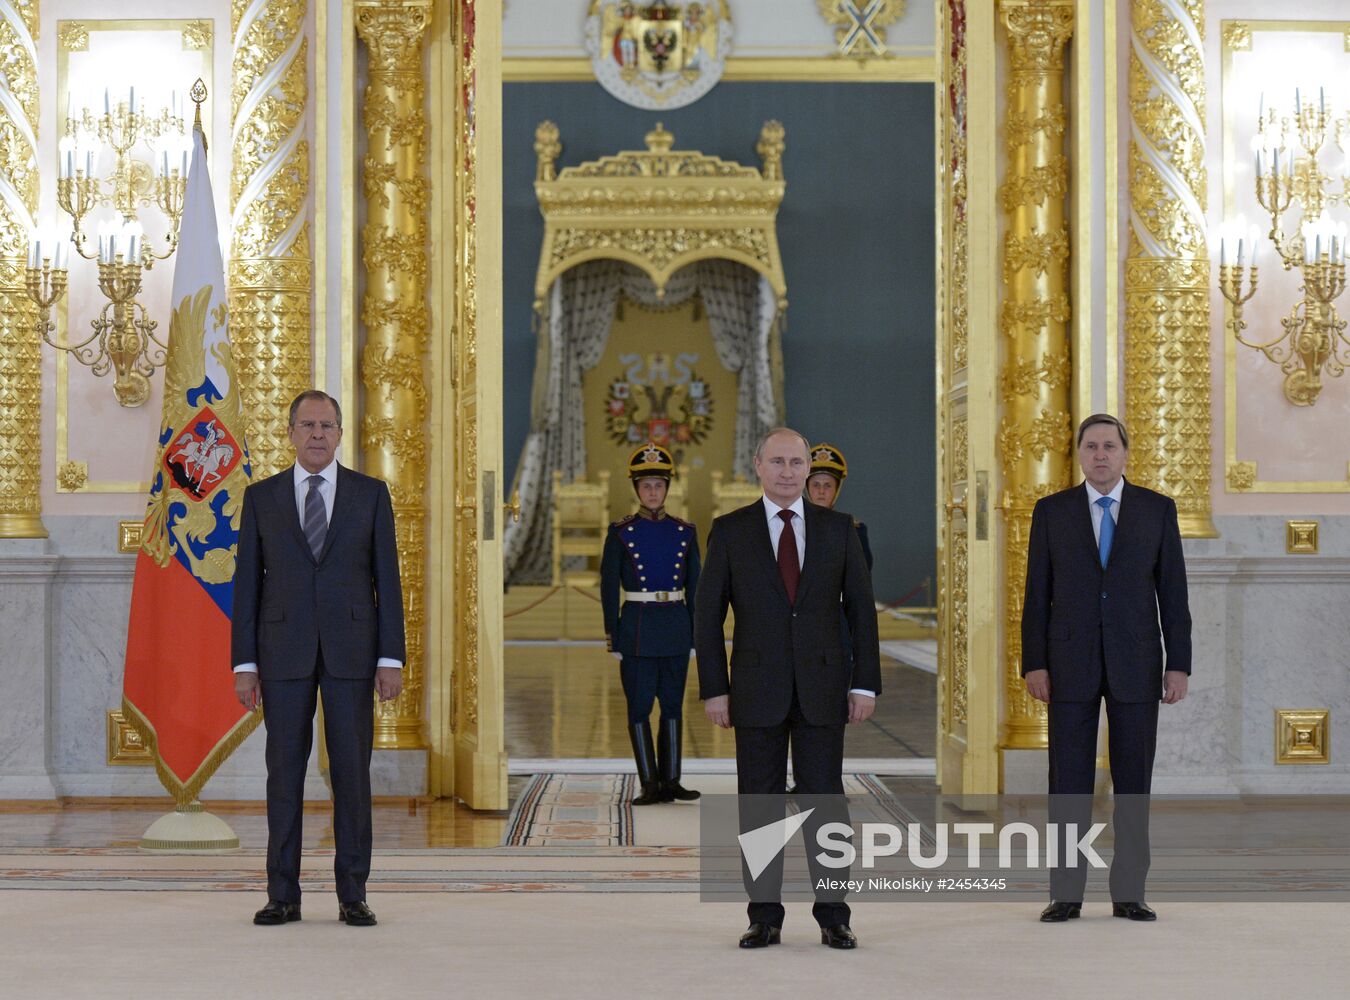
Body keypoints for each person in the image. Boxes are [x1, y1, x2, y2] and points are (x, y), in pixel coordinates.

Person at [695, 427, 881, 950]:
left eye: (795, 462)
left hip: (825, 687)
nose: (786, 471)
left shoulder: (840, 529)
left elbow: (861, 614)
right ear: (757, 465)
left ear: (807, 469)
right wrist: (715, 688)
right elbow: (708, 618)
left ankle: (834, 915)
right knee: (759, 804)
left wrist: (864, 683)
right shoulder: (730, 531)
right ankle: (764, 915)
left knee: (826, 803)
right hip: (754, 688)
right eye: (776, 461)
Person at [232, 390, 406, 928]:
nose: (316, 434)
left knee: (352, 774)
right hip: (281, 655)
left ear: (339, 433)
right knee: (283, 774)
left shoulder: (370, 494)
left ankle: (352, 892)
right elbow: (247, 588)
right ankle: (281, 894)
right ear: (290, 432)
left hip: (353, 655)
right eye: (306, 425)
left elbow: (388, 583)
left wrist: (390, 658)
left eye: (326, 425)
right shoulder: (261, 498)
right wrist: (244, 665)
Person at [1021, 413, 1191, 924]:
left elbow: (1174, 594)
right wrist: (1034, 663)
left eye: (1109, 446)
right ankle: (1066, 893)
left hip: (1137, 662)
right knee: (1068, 783)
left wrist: (1178, 664)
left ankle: (1129, 893)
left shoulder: (1156, 510)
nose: (1100, 455)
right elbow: (1035, 597)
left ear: (1124, 452)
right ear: (1078, 454)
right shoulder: (1051, 512)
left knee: (1133, 781)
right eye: (1091, 446)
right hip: (1068, 662)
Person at [600, 443, 702, 806]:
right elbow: (609, 588)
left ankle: (672, 780)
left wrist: (694, 633)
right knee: (639, 708)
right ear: (637, 490)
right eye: (646, 487)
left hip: (674, 627)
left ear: (667, 488)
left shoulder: (685, 532)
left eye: (659, 485)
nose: (653, 492)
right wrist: (613, 634)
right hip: (638, 630)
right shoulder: (621, 533)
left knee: (673, 707)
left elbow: (696, 589)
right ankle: (649, 783)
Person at [806, 443, 873, 571]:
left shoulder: (854, 532)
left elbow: (861, 581)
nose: (821, 491)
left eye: (827, 485)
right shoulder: (792, 528)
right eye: (815, 485)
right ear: (807, 488)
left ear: (837, 489)